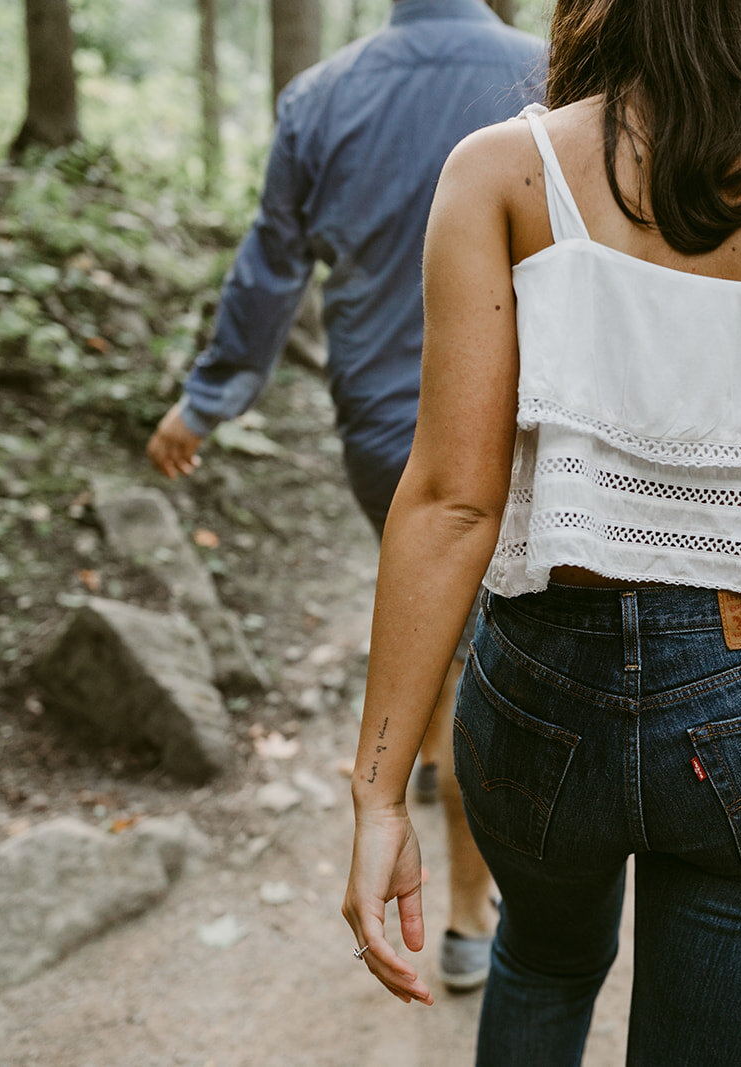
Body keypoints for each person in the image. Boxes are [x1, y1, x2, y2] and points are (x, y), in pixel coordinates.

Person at [341, 0, 741, 1059]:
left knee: (540, 960)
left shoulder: (501, 170)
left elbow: (451, 498)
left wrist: (378, 794)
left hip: (540, 681)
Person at [146, 0, 546, 993]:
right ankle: (462, 921)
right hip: (514, 418)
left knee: (443, 625)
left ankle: (422, 754)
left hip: (380, 427)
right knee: (481, 654)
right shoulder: (546, 75)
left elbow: (269, 272)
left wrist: (204, 402)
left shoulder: (322, 96)